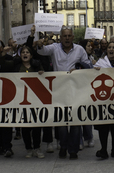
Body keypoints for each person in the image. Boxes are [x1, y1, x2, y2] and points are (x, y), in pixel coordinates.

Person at [35, 25, 92, 159]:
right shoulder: (54, 48)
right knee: (61, 120)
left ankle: (73, 150)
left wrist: (79, 71)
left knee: (75, 121)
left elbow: (88, 65)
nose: (67, 38)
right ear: (60, 38)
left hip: (74, 89)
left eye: (69, 36)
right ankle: (63, 146)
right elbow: (41, 51)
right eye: (64, 36)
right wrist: (39, 44)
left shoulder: (79, 50)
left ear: (73, 37)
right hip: (59, 89)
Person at [15, 45, 46, 159]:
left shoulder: (37, 65)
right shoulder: (17, 67)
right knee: (25, 126)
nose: (25, 54)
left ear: (31, 55)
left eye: (27, 52)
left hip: (35, 100)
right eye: (23, 52)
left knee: (36, 125)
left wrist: (42, 73)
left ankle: (37, 148)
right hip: (21, 100)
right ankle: (28, 148)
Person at [93, 41, 114, 159]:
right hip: (103, 99)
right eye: (109, 47)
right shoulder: (101, 62)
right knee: (103, 124)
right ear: (106, 50)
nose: (111, 49)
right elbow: (90, 75)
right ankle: (104, 149)